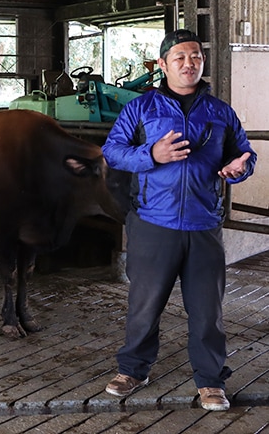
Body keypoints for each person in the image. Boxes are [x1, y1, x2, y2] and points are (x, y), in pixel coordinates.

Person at [101, 29, 256, 412]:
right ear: (163, 65)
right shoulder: (141, 108)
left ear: (202, 62)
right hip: (154, 222)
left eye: (196, 57)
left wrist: (241, 167)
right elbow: (113, 151)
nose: (189, 64)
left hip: (203, 224)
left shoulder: (220, 111)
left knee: (207, 310)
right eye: (180, 57)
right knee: (144, 304)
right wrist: (151, 154)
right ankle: (134, 369)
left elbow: (244, 153)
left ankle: (210, 381)